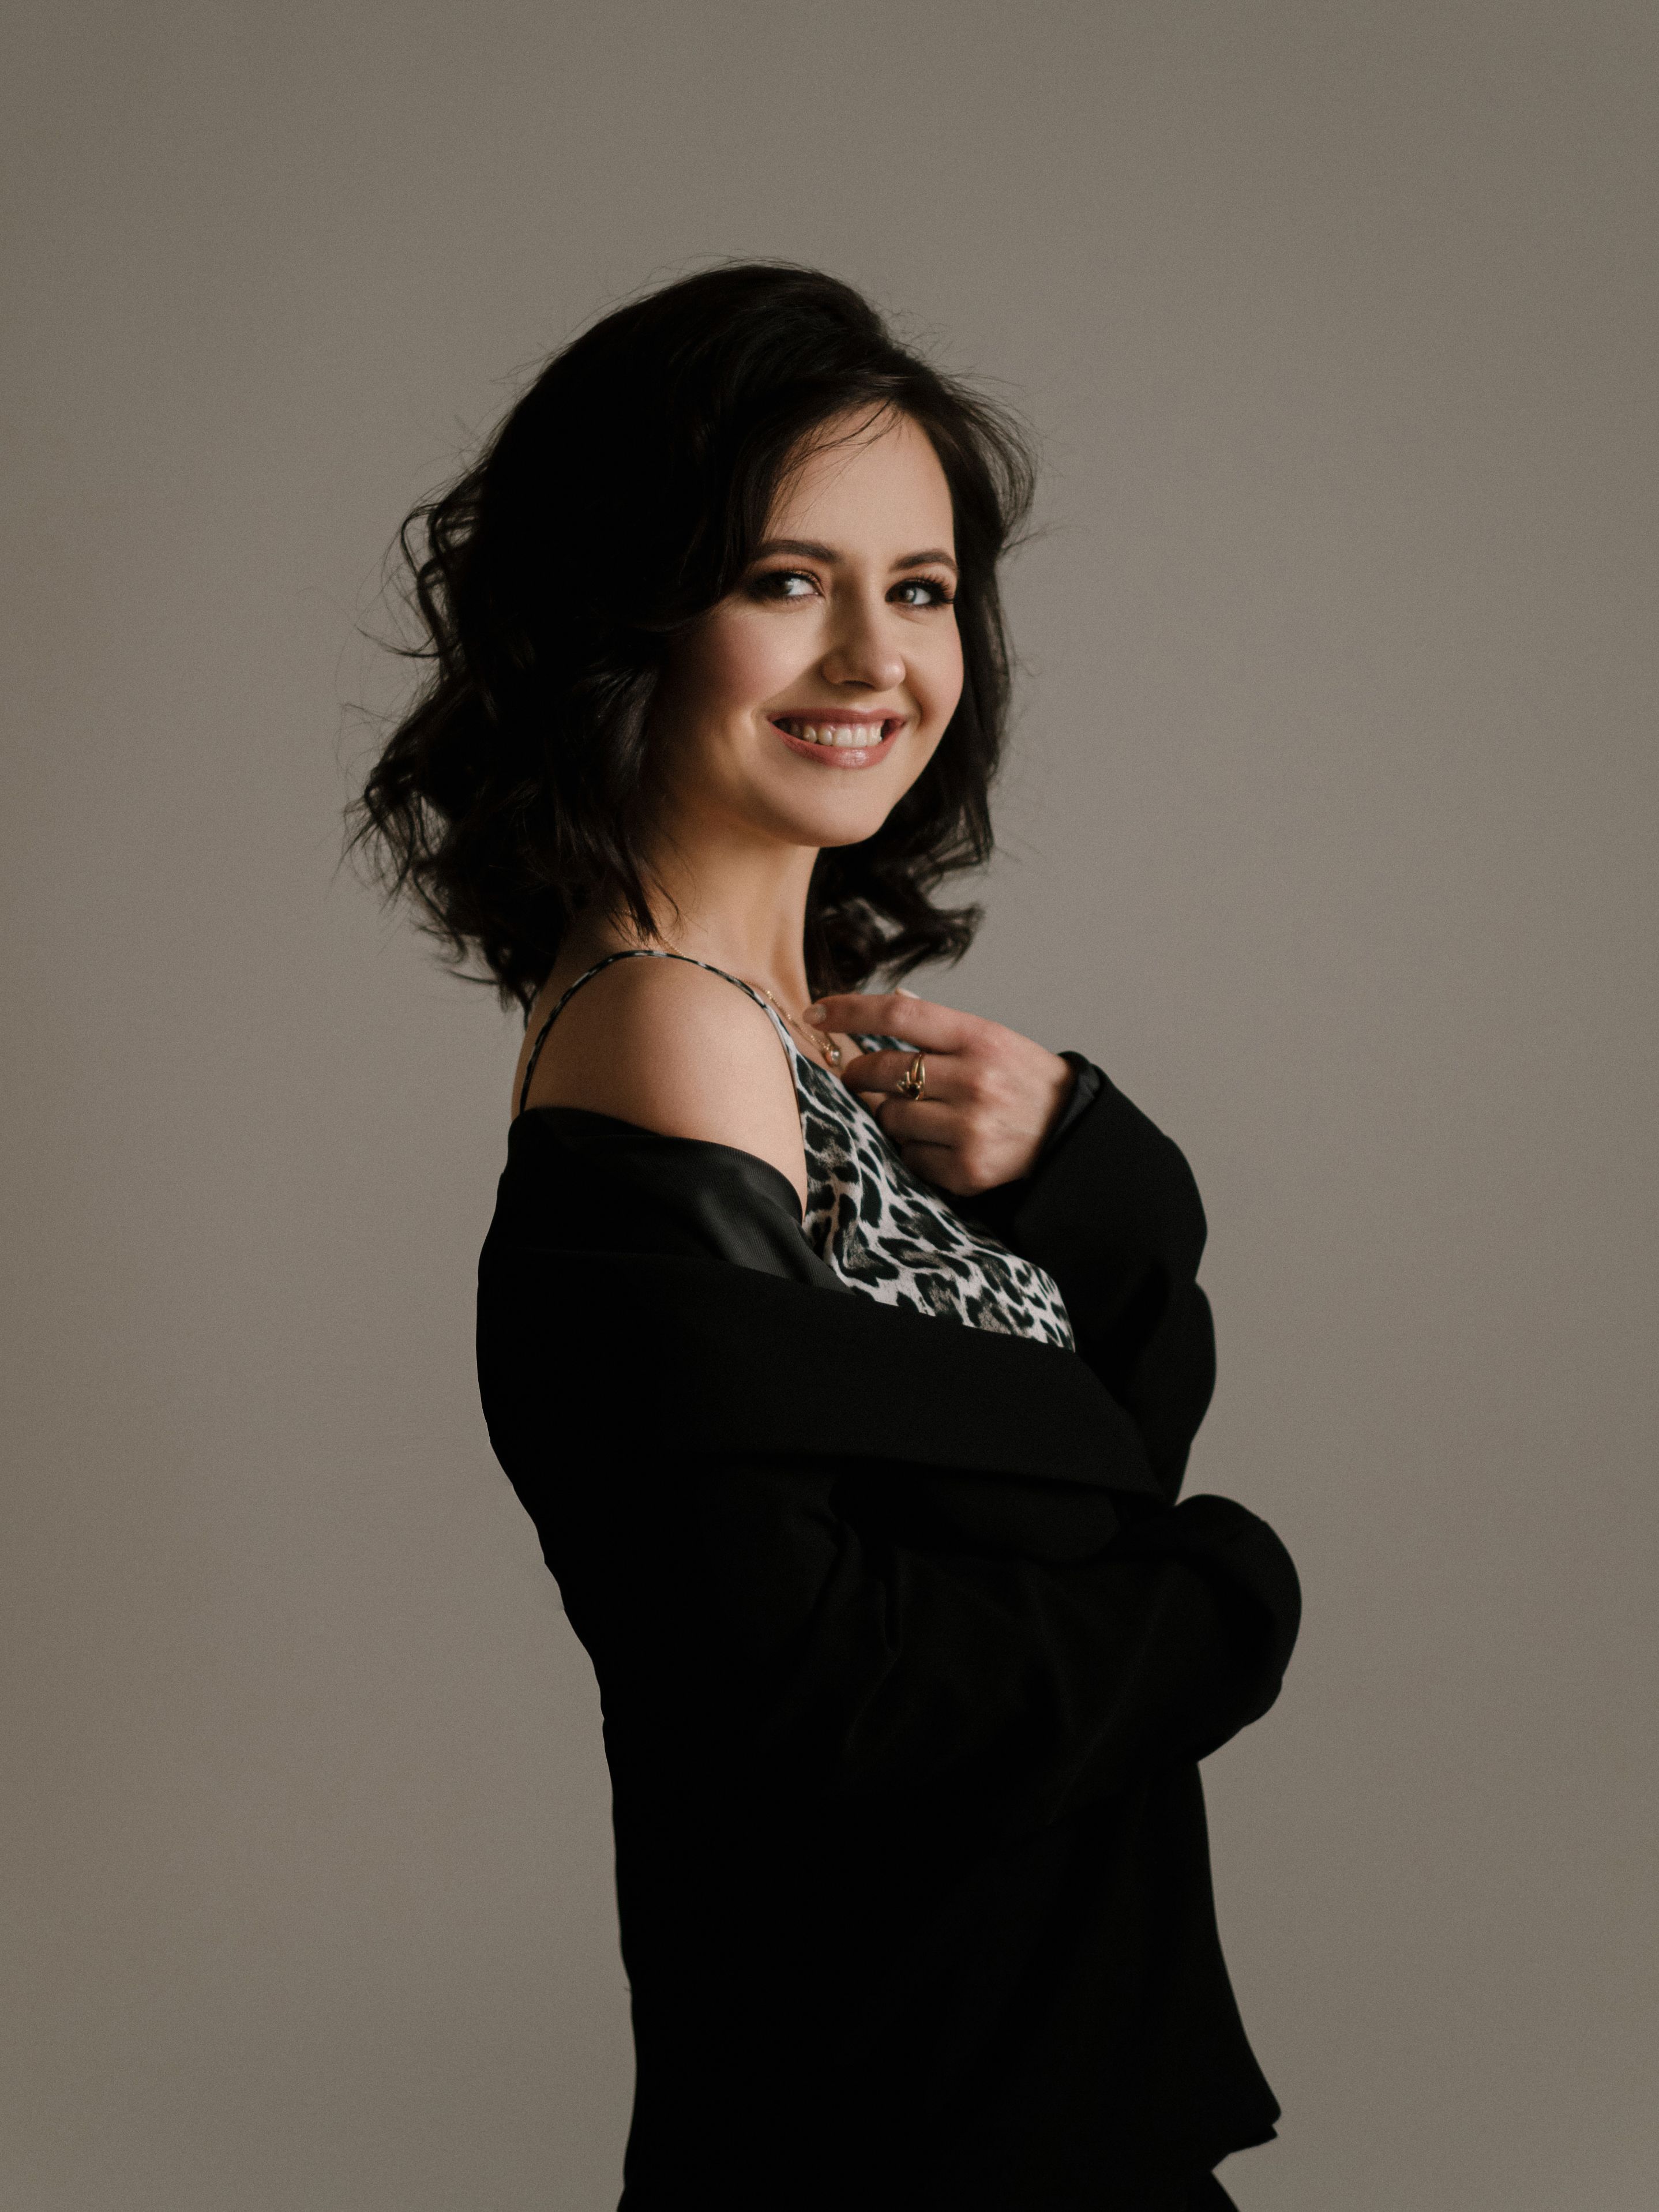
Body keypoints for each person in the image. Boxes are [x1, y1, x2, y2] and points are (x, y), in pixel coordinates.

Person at [353, 262, 1301, 2211]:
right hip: (892, 2122)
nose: (876, 657)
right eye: (786, 580)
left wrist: (1090, 1167)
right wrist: (1233, 1604)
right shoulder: (672, 1038)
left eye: (921, 588)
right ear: (623, 613)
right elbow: (812, 1693)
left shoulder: (802, 1041)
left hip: (1013, 2078)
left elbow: (1079, 1488)